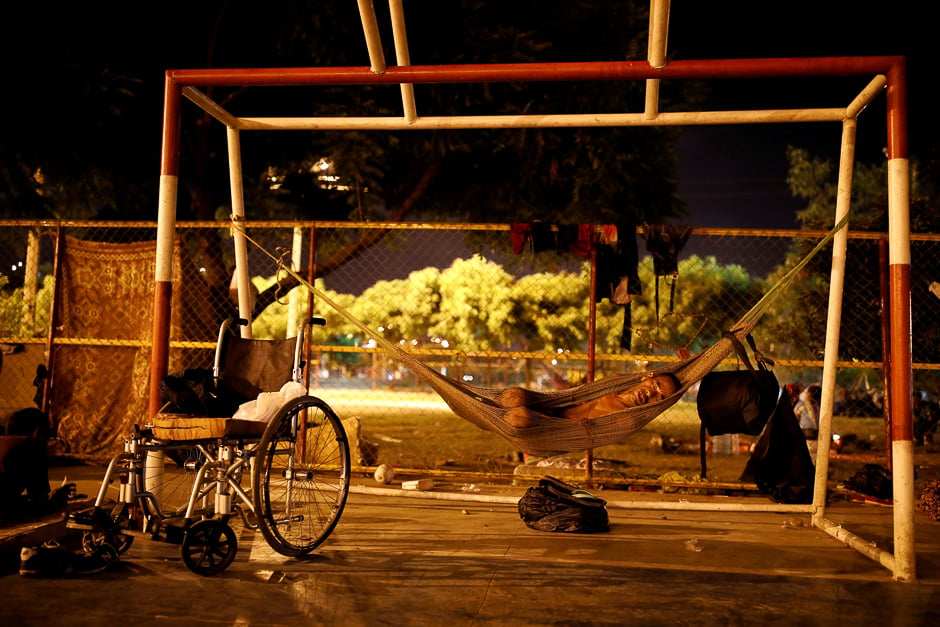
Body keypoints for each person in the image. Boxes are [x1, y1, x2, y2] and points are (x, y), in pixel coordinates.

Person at [499, 373, 680, 427]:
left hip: (551, 428)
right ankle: (487, 408)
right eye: (654, 385)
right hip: (550, 405)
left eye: (658, 398)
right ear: (646, 377)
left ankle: (495, 417)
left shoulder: (626, 418)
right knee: (515, 397)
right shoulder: (615, 383)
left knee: (518, 417)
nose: (650, 394)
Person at [0, 408, 74, 524]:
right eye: (48, 437)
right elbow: (41, 504)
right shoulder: (33, 447)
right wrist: (57, 499)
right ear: (38, 433)